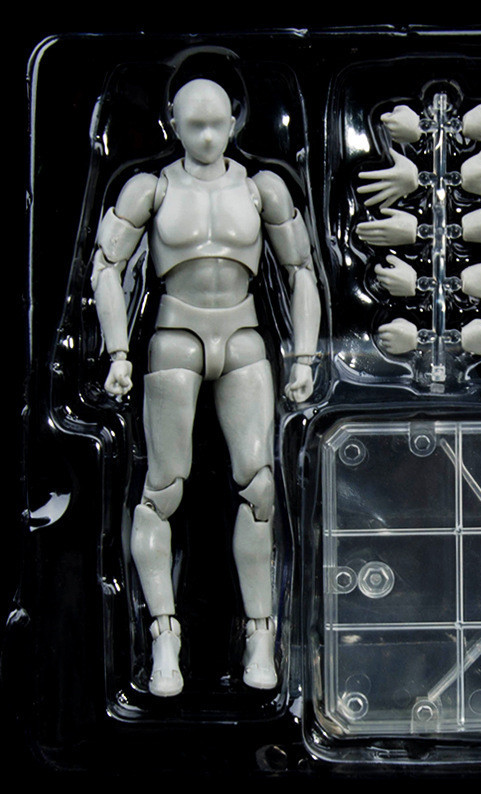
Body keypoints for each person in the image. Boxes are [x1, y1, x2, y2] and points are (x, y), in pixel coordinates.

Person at [90, 78, 321, 696]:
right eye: (195, 125)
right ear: (173, 122)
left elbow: (300, 270)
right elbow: (107, 266)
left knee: (260, 487)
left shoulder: (262, 187)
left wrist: (303, 357)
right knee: (161, 490)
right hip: (175, 336)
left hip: (243, 337)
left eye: (218, 123)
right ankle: (164, 634)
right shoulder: (151, 188)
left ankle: (261, 633)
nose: (209, 136)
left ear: (236, 120)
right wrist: (117, 351)